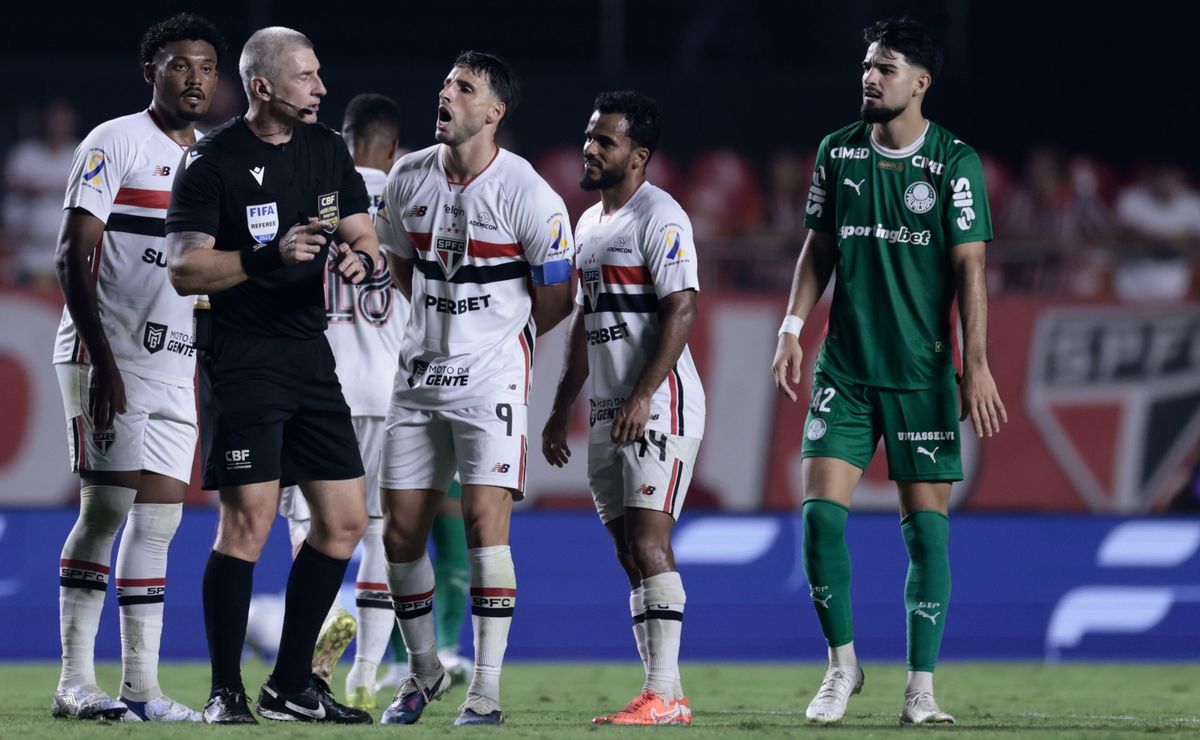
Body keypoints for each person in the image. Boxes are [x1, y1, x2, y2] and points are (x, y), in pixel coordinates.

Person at [770, 18, 1007, 725]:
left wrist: (978, 366)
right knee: (817, 521)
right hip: (845, 370)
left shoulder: (954, 165)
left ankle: (921, 688)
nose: (870, 77)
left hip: (922, 376)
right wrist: (791, 328)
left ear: (920, 84)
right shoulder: (837, 153)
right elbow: (819, 250)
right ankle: (841, 666)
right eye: (868, 65)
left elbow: (973, 271)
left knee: (927, 534)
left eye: (886, 68)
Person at [164, 26, 378, 725]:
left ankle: (290, 684)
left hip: (309, 356)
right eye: (307, 77)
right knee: (249, 524)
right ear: (263, 87)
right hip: (242, 356)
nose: (321, 89)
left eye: (319, 75)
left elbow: (362, 234)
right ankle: (225, 690)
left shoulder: (326, 149)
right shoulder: (213, 162)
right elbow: (185, 268)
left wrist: (361, 260)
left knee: (343, 522)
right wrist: (264, 257)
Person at [373, 50, 575, 726]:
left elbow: (558, 297)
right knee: (401, 536)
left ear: (495, 111)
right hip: (417, 379)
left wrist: (500, 339)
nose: (446, 94)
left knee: (488, 528)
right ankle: (425, 669)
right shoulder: (405, 178)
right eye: (444, 84)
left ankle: (485, 690)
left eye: (464, 88)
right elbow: (401, 267)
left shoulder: (530, 194)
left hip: (490, 380)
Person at [49, 13, 223, 722]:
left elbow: (208, 276)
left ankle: (142, 690)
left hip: (175, 367)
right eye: (181, 64)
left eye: (208, 67)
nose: (196, 78)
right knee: (106, 510)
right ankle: (73, 682)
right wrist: (103, 363)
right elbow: (70, 254)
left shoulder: (214, 160)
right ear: (151, 71)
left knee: (158, 523)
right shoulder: (113, 142)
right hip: (107, 357)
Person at [542, 90, 705, 727]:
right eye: (588, 135)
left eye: (604, 140)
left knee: (649, 540)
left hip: (658, 406)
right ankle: (665, 692)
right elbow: (586, 324)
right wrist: (562, 409)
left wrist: (643, 395)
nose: (589, 147)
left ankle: (663, 694)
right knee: (628, 553)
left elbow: (682, 309)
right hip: (610, 413)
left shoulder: (659, 215)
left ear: (637, 156)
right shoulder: (589, 224)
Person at [5, 99, 80, 284]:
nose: (57, 125)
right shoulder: (24, 155)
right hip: (28, 253)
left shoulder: (82, 152)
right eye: (53, 119)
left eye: (63, 119)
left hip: (69, 255)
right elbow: (11, 196)